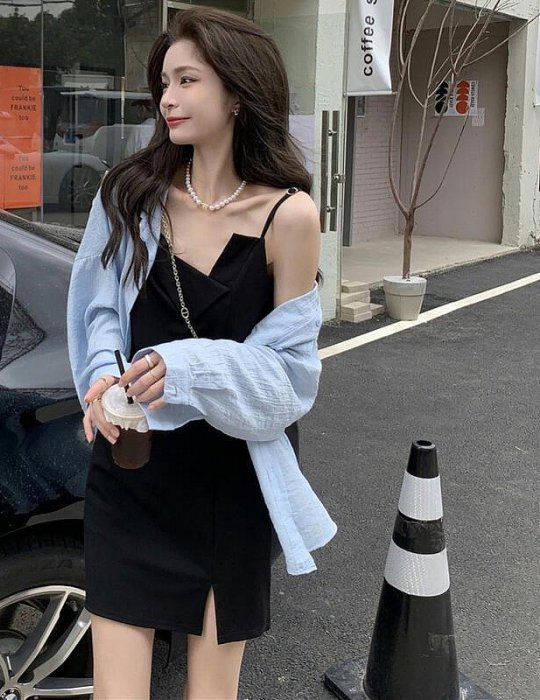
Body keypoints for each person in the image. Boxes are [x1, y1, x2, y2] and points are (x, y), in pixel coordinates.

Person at [67, 8, 336, 699]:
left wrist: (186, 369)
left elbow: (290, 380)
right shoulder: (130, 193)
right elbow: (99, 307)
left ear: (238, 92)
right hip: (132, 470)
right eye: (164, 83)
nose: (168, 98)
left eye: (187, 80)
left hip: (230, 481)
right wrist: (102, 375)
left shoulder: (289, 216)